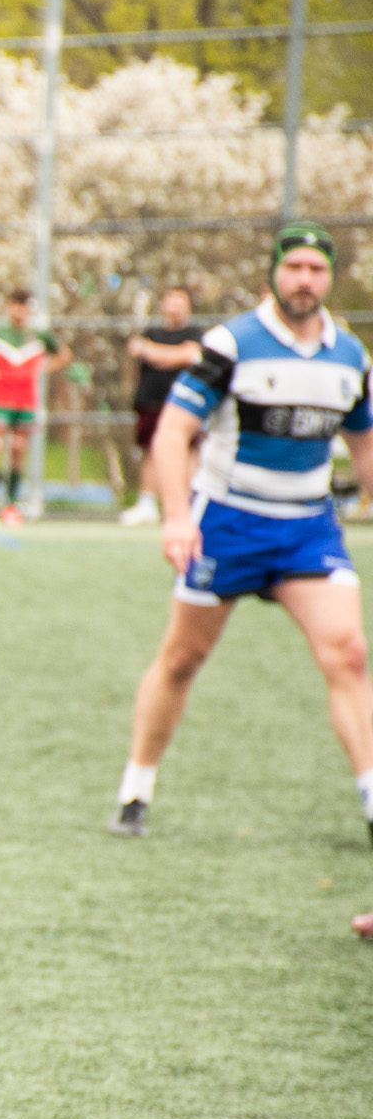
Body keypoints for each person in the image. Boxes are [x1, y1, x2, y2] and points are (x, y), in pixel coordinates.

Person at [110, 223, 373, 843]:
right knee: (183, 658)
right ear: (273, 274)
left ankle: (370, 796)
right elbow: (174, 432)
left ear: (328, 278)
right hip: (226, 521)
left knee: (349, 653)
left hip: (307, 526)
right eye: (294, 268)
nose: (304, 280)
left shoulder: (351, 356)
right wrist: (177, 516)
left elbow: (364, 440)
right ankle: (136, 786)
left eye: (316, 269)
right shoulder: (232, 343)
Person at [0, 286, 70, 523]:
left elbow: (64, 354)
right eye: (15, 305)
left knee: (17, 448)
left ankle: (10, 504)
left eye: (24, 307)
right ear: (8, 307)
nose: (19, 311)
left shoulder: (39, 335)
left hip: (25, 401)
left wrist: (41, 369)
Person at [117, 286, 207, 527]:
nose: (175, 306)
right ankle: (146, 504)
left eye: (181, 301)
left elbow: (189, 356)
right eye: (171, 300)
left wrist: (154, 352)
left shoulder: (195, 333)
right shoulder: (151, 331)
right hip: (151, 401)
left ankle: (188, 504)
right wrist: (168, 354)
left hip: (185, 404)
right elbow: (137, 351)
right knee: (151, 450)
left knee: (188, 451)